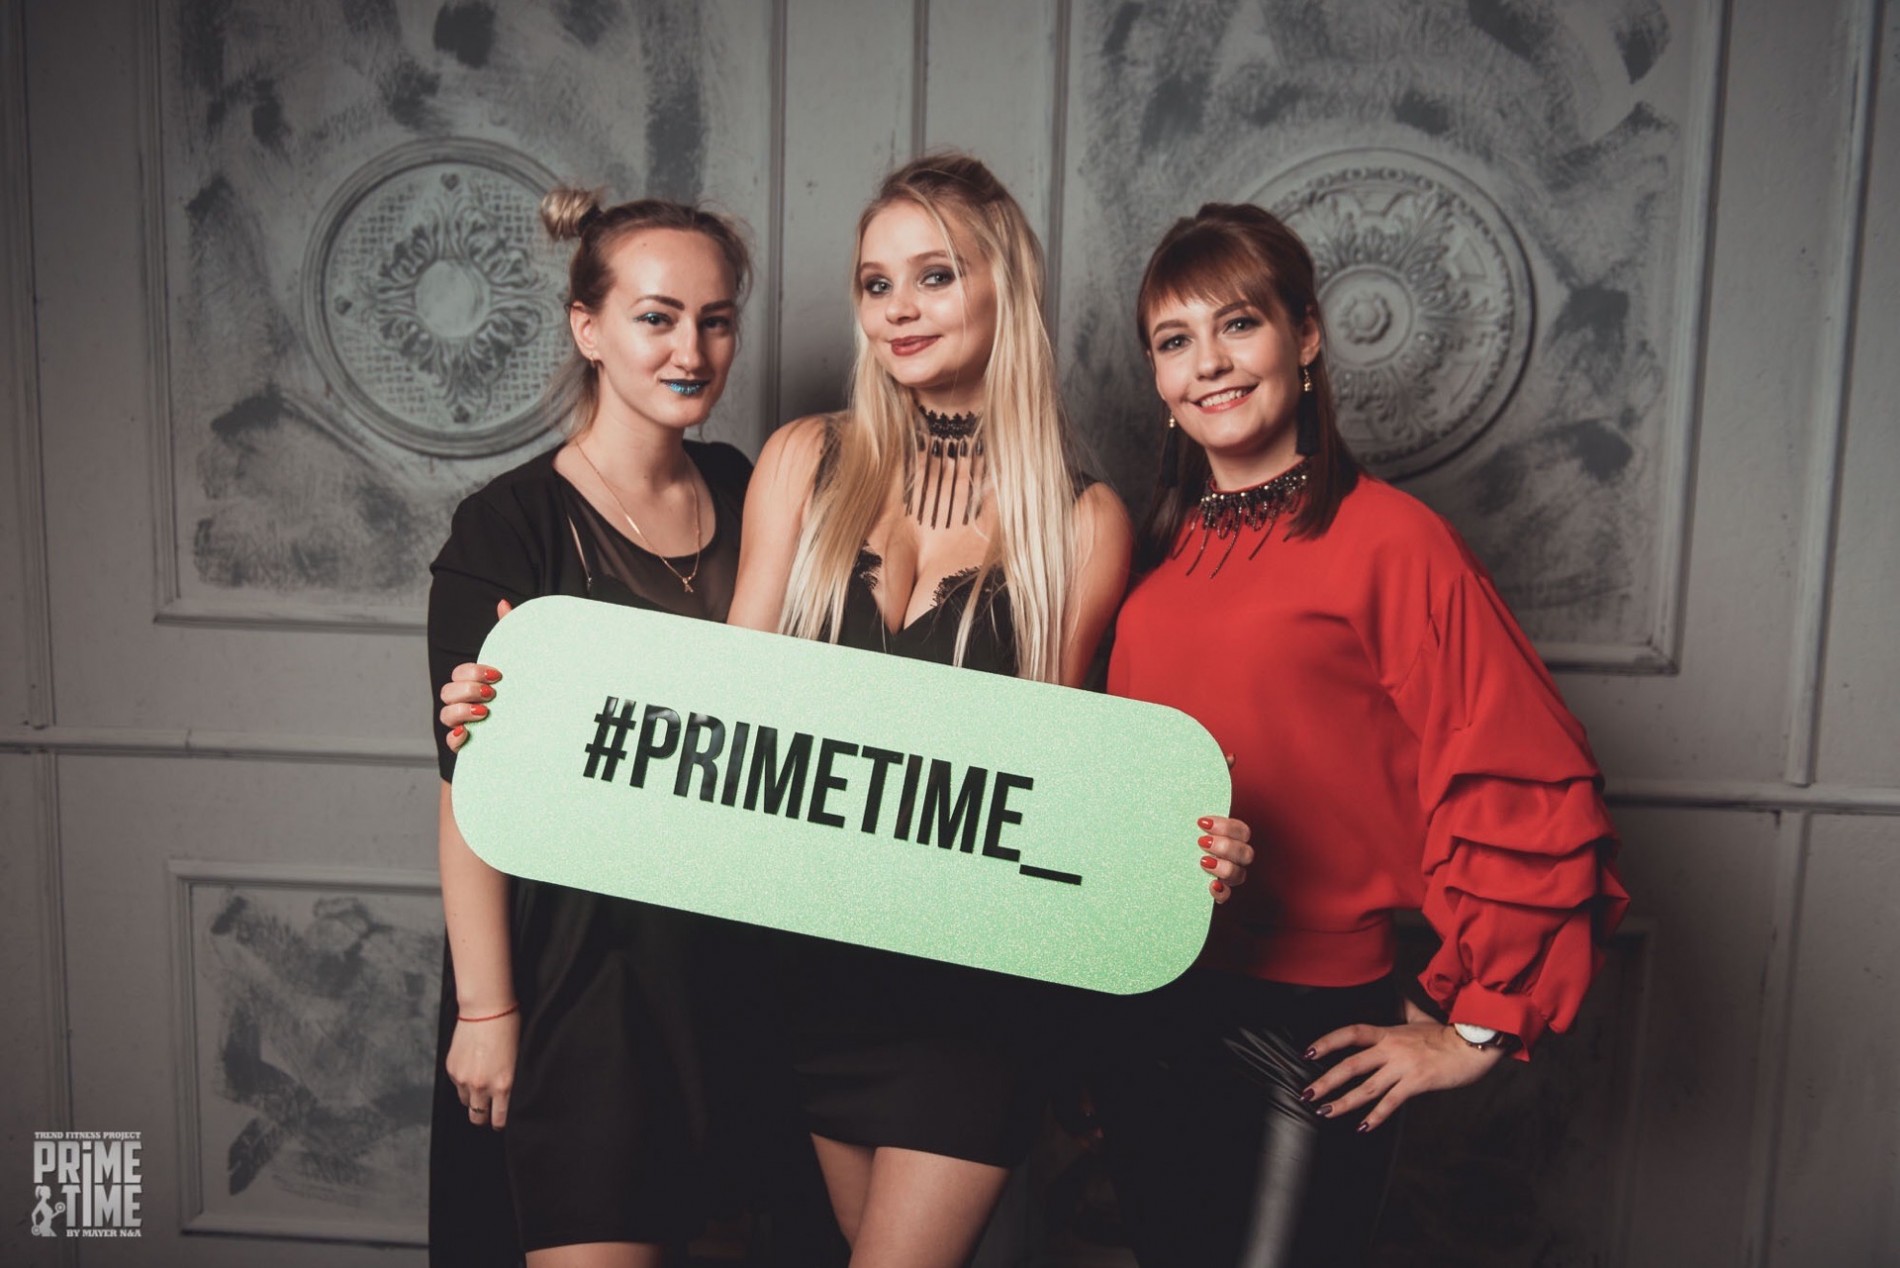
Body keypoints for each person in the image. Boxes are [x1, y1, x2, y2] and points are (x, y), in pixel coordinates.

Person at [720, 153, 1250, 1267]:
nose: (899, 309)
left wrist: (1179, 844)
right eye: (876, 285)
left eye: (935, 275)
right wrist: (530, 699)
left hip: (970, 997)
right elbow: (727, 711)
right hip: (805, 973)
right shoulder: (803, 460)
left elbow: (1047, 785)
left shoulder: (1079, 521)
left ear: (1004, 285)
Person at [1093, 202, 1630, 1266]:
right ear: (1156, 377)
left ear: (1304, 335)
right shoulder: (1153, 556)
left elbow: (1521, 767)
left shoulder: (1390, 541)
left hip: (1308, 1023)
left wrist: (1475, 1027)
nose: (1208, 363)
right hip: (1147, 1009)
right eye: (1174, 340)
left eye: (1237, 324)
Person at [426, 187, 760, 1268]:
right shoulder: (506, 526)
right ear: (588, 328)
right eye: (656, 317)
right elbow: (468, 789)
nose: (690, 351)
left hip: (729, 962)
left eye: (715, 320)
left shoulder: (748, 488)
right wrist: (487, 1008)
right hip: (583, 970)